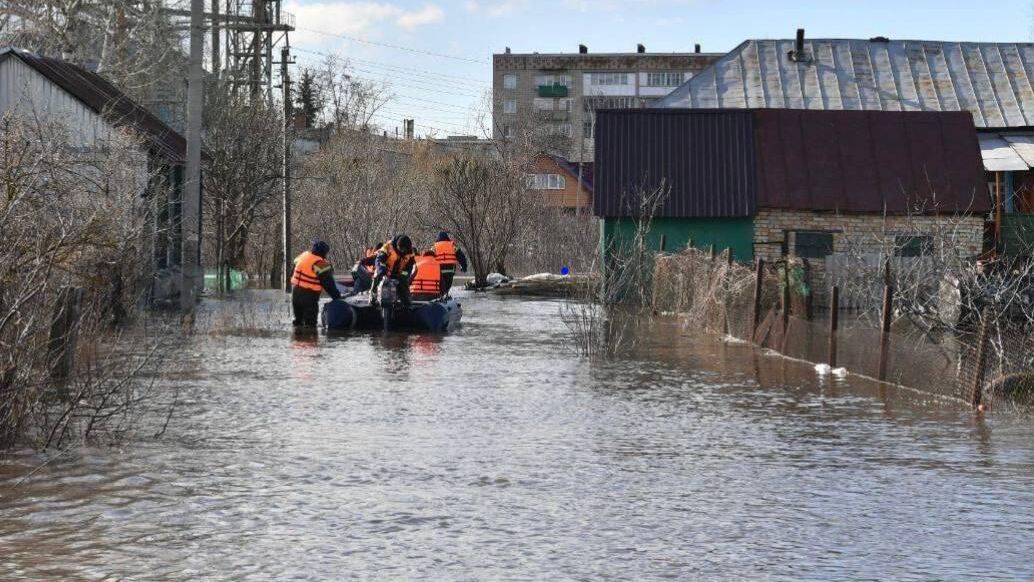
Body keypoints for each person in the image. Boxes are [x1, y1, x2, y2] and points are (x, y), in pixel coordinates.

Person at [291, 240, 342, 327]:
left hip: (295, 294)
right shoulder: (320, 263)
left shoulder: (303, 256)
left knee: (298, 322)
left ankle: (296, 339)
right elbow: (328, 284)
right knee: (310, 324)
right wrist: (337, 297)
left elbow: (292, 272)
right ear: (323, 252)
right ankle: (311, 338)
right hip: (309, 296)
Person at [371, 235, 416, 307]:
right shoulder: (388, 246)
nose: (401, 250)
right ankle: (373, 296)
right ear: (397, 245)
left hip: (399, 274)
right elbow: (378, 259)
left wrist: (404, 275)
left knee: (404, 285)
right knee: (377, 275)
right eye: (400, 248)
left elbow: (410, 267)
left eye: (403, 249)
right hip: (386, 271)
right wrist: (382, 268)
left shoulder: (410, 253)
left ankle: (407, 307)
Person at [433, 231, 467, 297]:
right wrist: (464, 266)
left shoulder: (435, 246)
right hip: (450, 270)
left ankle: (441, 297)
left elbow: (429, 256)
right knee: (447, 286)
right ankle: (446, 296)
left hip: (439, 271)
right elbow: (461, 256)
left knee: (441, 287)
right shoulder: (452, 245)